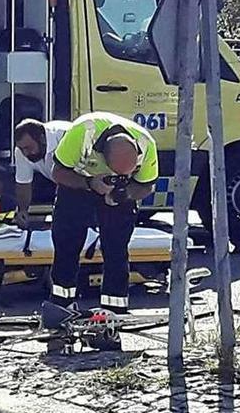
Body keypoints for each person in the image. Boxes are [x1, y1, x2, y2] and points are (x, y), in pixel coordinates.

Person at [44, 112, 158, 349]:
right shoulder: (82, 132)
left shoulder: (147, 145)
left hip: (118, 197)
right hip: (78, 183)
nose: (118, 177)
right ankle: (62, 309)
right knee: (66, 245)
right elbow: (58, 172)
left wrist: (124, 194)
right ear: (103, 156)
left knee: (116, 250)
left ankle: (111, 319)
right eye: (115, 173)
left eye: (124, 174)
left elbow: (146, 185)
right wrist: (90, 184)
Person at [13, 118, 72, 229]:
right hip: (59, 182)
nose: (25, 153)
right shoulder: (21, 151)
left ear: (42, 139)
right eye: (21, 149)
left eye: (28, 148)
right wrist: (22, 211)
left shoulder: (65, 136)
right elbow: (23, 184)